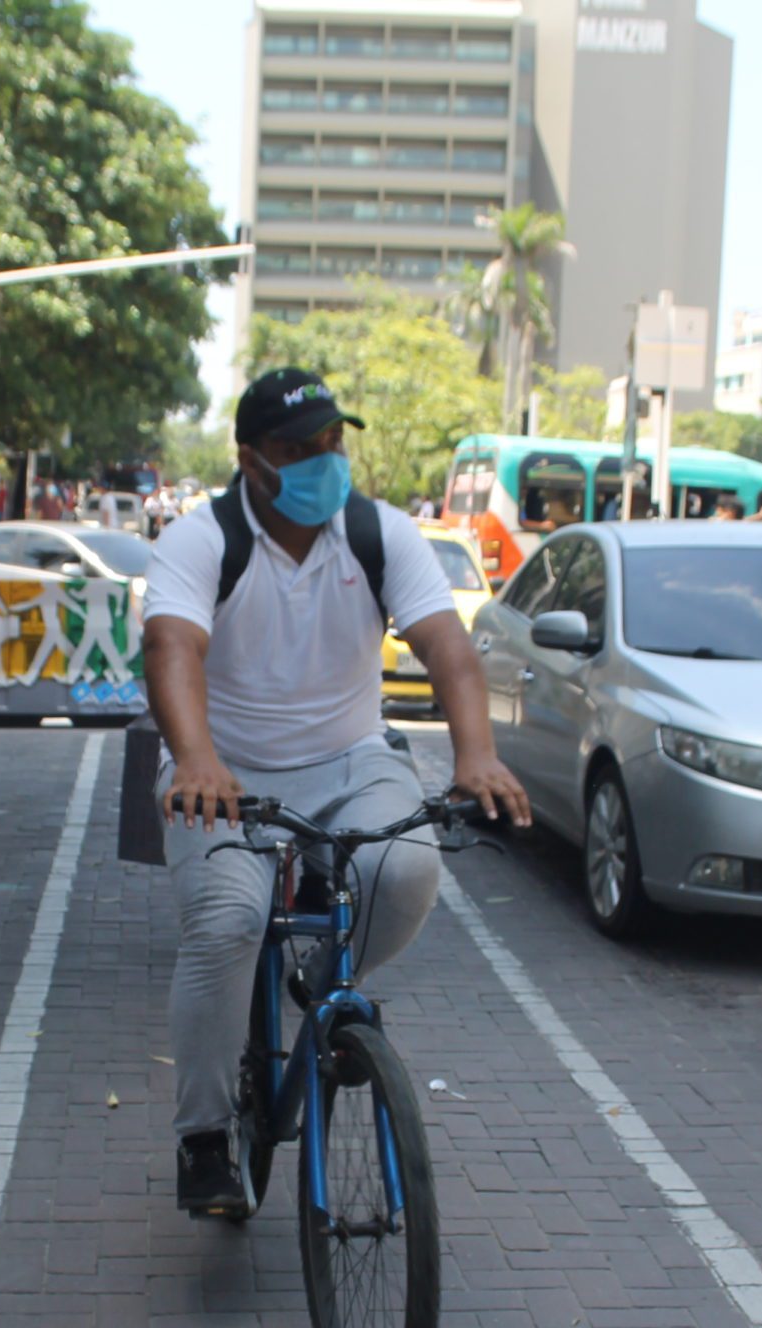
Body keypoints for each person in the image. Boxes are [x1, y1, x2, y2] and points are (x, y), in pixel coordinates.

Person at [143, 368, 531, 1216]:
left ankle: (321, 985)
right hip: (225, 772)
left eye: (333, 442)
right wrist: (197, 757)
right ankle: (206, 1136)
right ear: (251, 462)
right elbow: (171, 647)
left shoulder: (379, 533)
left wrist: (476, 756)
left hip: (351, 758)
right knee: (229, 921)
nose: (324, 461)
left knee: (405, 873)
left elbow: (450, 651)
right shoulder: (203, 540)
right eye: (298, 449)